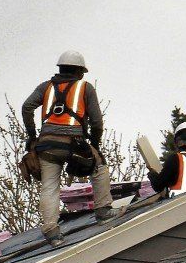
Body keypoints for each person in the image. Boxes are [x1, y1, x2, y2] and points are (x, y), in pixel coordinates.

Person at [20, 49, 116, 244]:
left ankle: (52, 231)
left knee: (49, 186)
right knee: (99, 167)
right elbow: (97, 123)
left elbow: (26, 107)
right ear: (80, 71)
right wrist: (95, 145)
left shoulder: (45, 87)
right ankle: (103, 211)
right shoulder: (85, 87)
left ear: (60, 68)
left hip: (46, 146)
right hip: (74, 144)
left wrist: (32, 137)